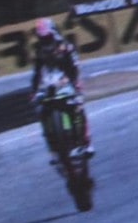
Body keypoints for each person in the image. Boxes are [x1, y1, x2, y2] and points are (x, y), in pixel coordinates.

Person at [30, 18, 93, 159]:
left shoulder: (65, 46)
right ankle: (52, 148)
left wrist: (74, 82)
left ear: (53, 33)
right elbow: (37, 72)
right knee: (41, 111)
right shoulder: (39, 50)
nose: (45, 41)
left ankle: (85, 142)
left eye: (47, 37)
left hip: (67, 80)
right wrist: (34, 91)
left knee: (78, 107)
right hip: (49, 84)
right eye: (42, 38)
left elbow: (74, 65)